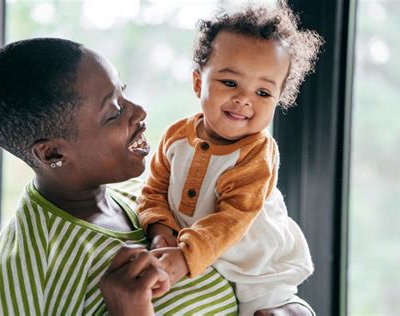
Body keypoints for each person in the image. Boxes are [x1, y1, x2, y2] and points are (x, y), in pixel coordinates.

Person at [0, 37, 312, 316]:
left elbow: (263, 274)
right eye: (113, 111)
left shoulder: (156, 195)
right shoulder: (25, 271)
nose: (139, 111)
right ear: (53, 153)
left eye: (124, 91)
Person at [138, 2, 323, 315]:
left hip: (254, 268)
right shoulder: (176, 137)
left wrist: (185, 257)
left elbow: (234, 216)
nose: (243, 100)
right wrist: (160, 234)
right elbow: (153, 191)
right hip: (197, 255)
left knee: (281, 311)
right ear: (199, 83)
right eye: (230, 83)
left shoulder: (257, 152)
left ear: (279, 99)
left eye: (263, 93)